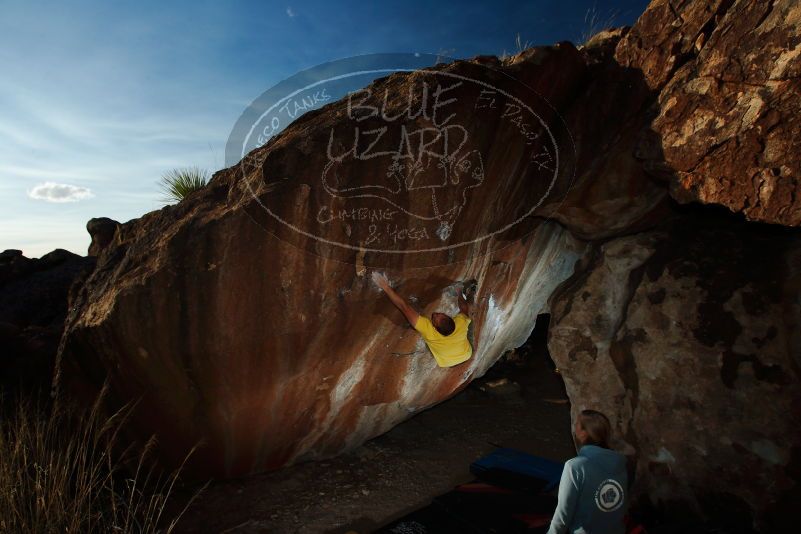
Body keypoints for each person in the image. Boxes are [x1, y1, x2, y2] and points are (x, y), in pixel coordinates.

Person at [547, 410, 628, 534]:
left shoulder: (575, 467)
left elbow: (563, 515)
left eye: (577, 425)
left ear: (584, 433)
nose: (575, 428)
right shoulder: (622, 463)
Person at [371, 272, 474, 367]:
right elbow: (464, 308)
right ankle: (471, 292)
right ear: (452, 319)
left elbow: (404, 307)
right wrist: (460, 292)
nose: (435, 314)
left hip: (447, 361)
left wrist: (385, 286)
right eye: (440, 314)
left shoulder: (429, 332)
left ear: (435, 328)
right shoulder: (462, 322)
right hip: (466, 353)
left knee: (427, 340)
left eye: (434, 318)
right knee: (468, 318)